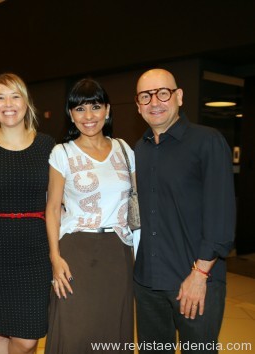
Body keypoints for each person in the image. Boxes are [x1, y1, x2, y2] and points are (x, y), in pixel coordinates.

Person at [133, 68, 235, 353]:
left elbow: (221, 215)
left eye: (163, 93)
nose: (155, 102)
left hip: (194, 281)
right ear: (138, 105)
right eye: (146, 96)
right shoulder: (137, 151)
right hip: (147, 283)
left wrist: (200, 275)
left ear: (179, 96)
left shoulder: (207, 141)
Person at [45, 78, 135, 353]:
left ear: (107, 110)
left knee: (112, 333)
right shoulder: (62, 153)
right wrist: (55, 257)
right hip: (77, 254)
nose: (89, 116)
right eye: (80, 109)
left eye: (95, 107)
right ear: (71, 114)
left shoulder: (123, 149)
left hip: (118, 253)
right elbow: (52, 209)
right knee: (74, 333)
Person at [0, 73, 54, 354]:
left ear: (26, 102)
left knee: (28, 337)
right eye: (0, 97)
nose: (8, 103)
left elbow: (59, 201)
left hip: (35, 249)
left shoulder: (47, 146)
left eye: (15, 95)